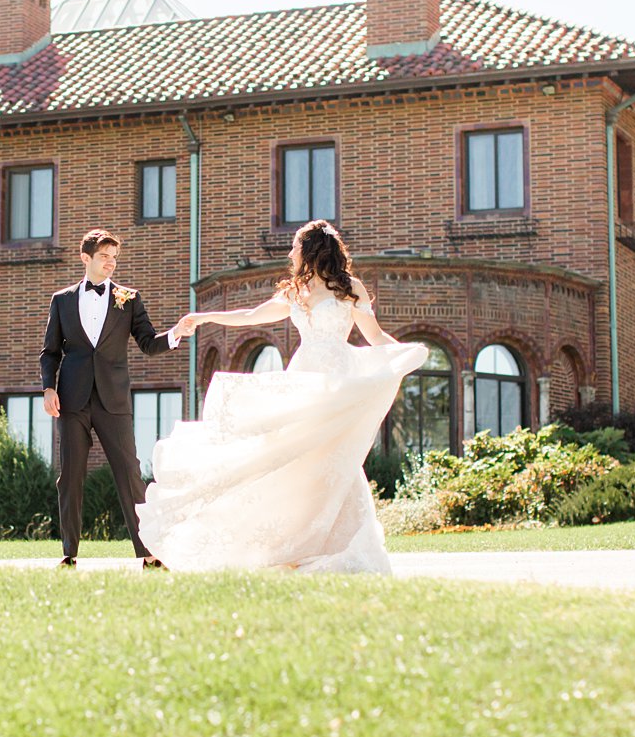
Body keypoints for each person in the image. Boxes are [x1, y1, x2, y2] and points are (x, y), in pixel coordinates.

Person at [137, 220, 426, 573]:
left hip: (336, 381)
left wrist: (406, 355)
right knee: (294, 460)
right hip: (303, 379)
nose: (290, 253)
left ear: (311, 250)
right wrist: (204, 316)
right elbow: (251, 316)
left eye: (295, 246)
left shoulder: (350, 288)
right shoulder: (295, 292)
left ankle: (339, 544)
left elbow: (375, 336)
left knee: (335, 461)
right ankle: (292, 545)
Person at [40, 228, 191, 570]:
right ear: (86, 258)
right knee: (71, 474)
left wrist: (175, 335)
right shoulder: (61, 300)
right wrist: (49, 388)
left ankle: (149, 553)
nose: (110, 263)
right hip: (71, 400)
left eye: (114, 258)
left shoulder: (129, 298)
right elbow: (50, 352)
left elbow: (148, 343)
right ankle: (69, 553)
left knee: (129, 472)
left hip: (114, 400)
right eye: (104, 257)